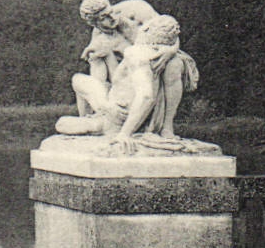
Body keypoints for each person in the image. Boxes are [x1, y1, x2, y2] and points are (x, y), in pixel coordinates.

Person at [57, 13, 199, 149]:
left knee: (62, 123)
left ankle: (92, 116)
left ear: (146, 30)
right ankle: (167, 129)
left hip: (116, 118)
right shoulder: (169, 58)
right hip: (125, 109)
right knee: (79, 80)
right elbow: (120, 81)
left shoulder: (137, 54)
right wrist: (107, 56)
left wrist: (124, 134)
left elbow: (146, 96)